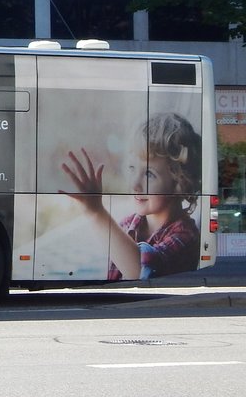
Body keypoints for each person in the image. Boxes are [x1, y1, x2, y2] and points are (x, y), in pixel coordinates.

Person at [61, 112, 201, 281]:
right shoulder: (127, 226)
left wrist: (96, 212)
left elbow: (140, 272)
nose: (134, 185)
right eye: (132, 168)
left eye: (149, 174)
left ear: (180, 181)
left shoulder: (186, 237)